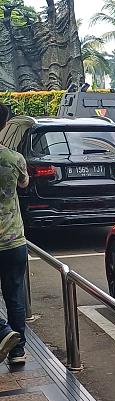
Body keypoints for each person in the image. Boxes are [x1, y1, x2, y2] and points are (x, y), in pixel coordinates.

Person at [0, 103, 29, 364]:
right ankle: (18, 351)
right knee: (15, 294)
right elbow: (24, 183)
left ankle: (3, 331)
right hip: (14, 241)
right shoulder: (14, 158)